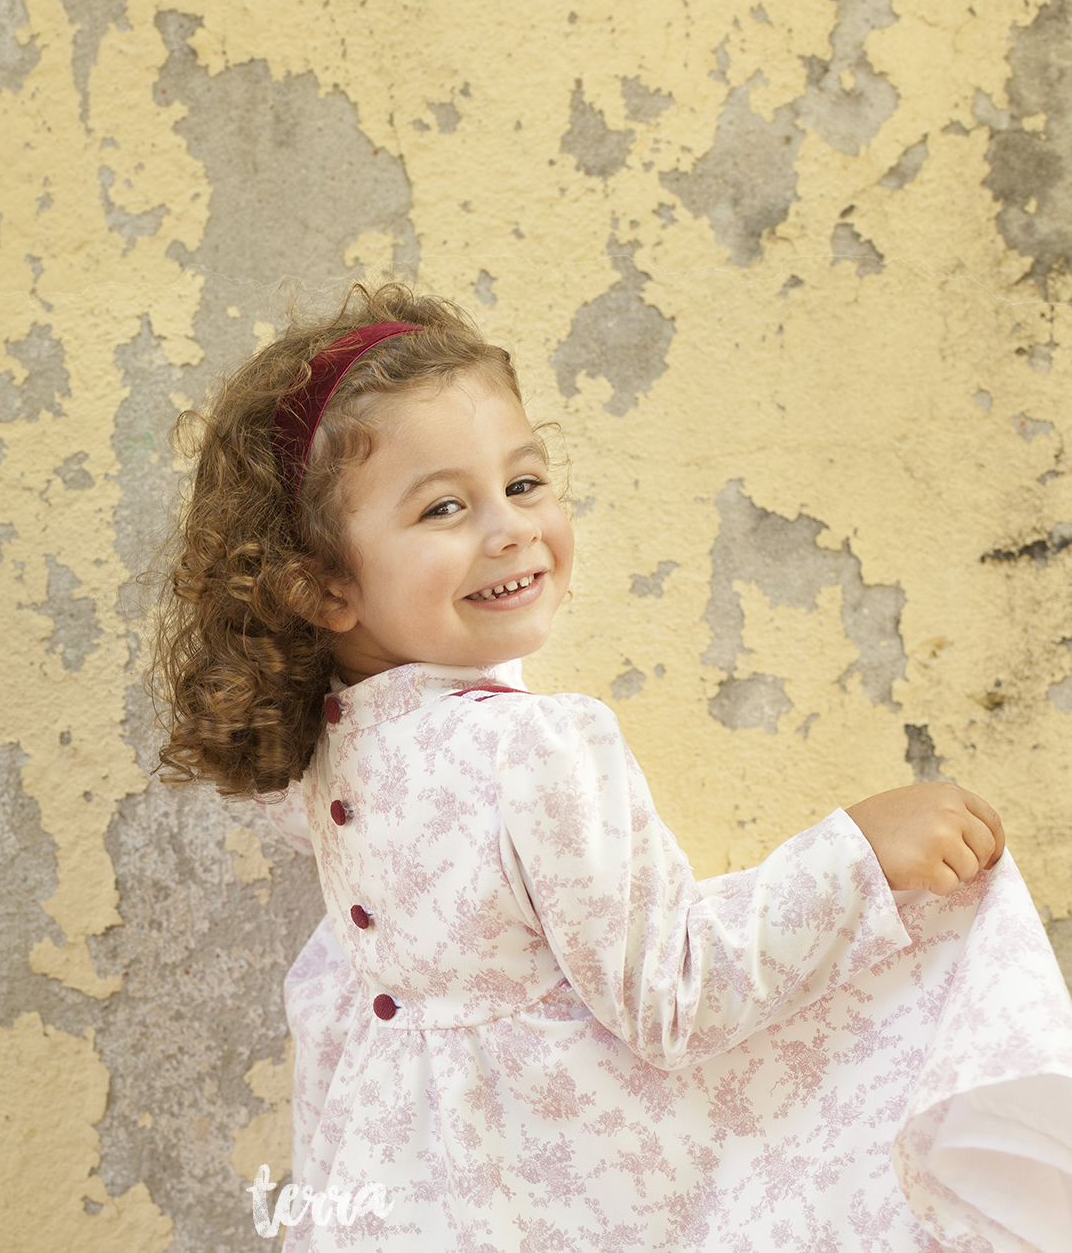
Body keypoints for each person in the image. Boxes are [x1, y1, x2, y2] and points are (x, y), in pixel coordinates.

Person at [151, 283, 1072, 1252]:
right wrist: (859, 858)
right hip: (552, 1191)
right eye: (445, 507)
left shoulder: (331, 752)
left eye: (525, 483)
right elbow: (670, 995)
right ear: (325, 583)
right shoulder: (537, 746)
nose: (507, 528)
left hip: (403, 1182)